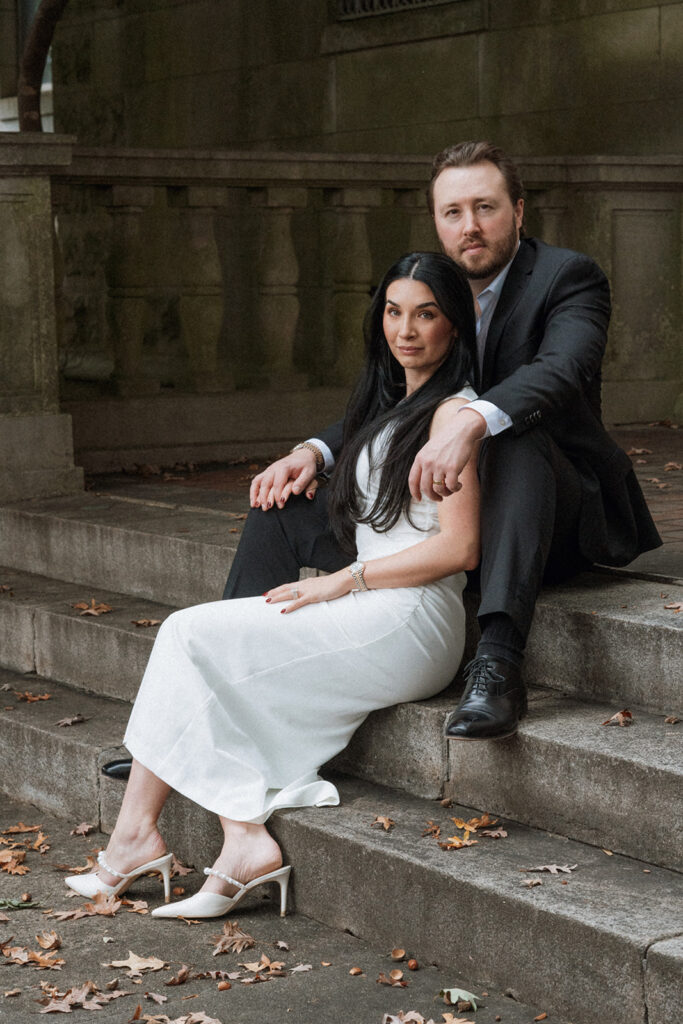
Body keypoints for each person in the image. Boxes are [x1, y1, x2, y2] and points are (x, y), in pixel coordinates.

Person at [70, 252, 481, 917]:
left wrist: (344, 580)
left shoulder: (452, 416)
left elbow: (459, 548)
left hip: (411, 618)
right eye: (393, 312)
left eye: (426, 314)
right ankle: (202, 840)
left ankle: (155, 841)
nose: (406, 330)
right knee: (194, 642)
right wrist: (312, 458)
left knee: (187, 634)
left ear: (454, 326)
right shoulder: (394, 403)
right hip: (376, 602)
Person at [217, 140, 661, 744]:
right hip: (439, 522)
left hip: (547, 515)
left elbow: (562, 369)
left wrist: (470, 422)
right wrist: (314, 452)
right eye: (453, 212)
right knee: (281, 508)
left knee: (514, 433)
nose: (469, 226)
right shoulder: (430, 289)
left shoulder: (568, 277)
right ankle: (222, 675)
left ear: (519, 211)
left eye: (485, 207)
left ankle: (498, 664)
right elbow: (394, 398)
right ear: (436, 220)